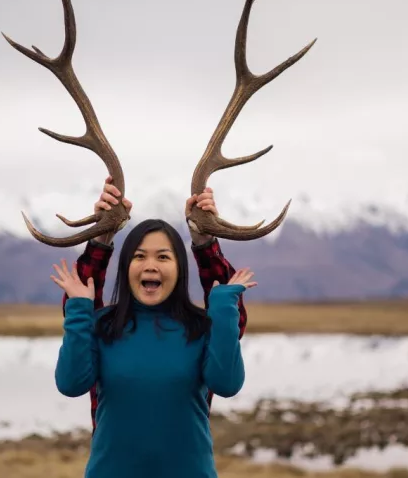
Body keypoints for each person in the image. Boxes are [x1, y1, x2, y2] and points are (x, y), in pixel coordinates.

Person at [50, 178, 256, 478]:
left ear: (179, 268)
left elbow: (227, 379)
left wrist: (203, 239)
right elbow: (70, 382)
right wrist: (103, 234)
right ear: (125, 267)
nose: (150, 266)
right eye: (139, 256)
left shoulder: (202, 328)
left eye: (163, 257)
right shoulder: (102, 326)